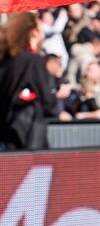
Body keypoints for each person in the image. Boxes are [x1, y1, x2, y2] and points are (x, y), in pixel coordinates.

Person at [0, 12, 57, 150]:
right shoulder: (33, 61)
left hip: (5, 135)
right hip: (25, 138)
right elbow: (47, 102)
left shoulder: (6, 60)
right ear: (33, 32)